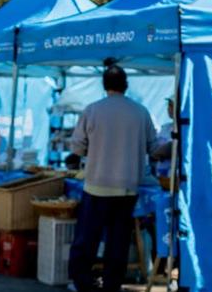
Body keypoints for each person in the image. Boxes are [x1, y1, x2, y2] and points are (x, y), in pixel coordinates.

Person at [68, 65, 159, 292]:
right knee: (117, 243)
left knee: (87, 240)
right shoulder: (141, 112)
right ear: (126, 84)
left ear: (104, 84)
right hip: (127, 189)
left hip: (96, 187)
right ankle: (112, 286)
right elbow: (154, 149)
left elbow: (77, 148)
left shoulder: (92, 110)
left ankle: (82, 283)